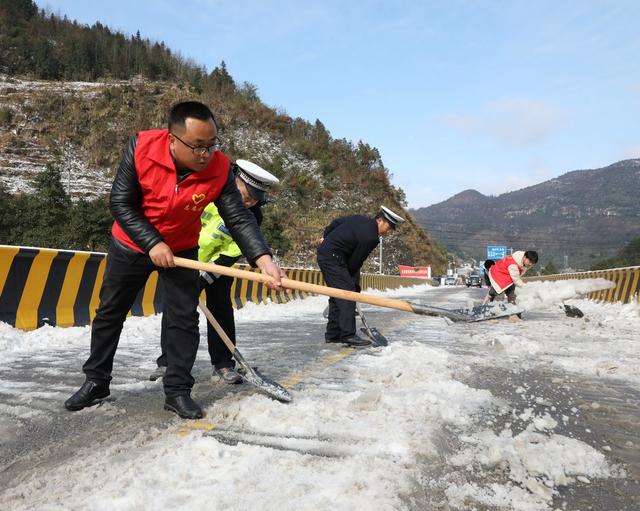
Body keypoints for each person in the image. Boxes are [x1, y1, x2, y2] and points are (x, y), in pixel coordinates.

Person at [64, 101, 282, 420]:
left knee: (183, 318)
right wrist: (152, 242)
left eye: (211, 145)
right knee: (110, 312)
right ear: (172, 139)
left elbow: (238, 217)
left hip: (181, 247)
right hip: (131, 244)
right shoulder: (141, 147)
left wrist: (262, 258)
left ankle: (178, 391)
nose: (205, 154)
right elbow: (121, 203)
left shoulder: (220, 169)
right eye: (197, 146)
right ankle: (96, 380)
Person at [150, 159, 279, 384]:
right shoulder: (208, 192)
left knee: (220, 308)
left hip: (218, 266)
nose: (248, 203)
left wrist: (206, 276)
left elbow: (234, 250)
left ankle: (223, 364)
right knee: (177, 309)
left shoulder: (253, 216)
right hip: (185, 257)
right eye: (245, 195)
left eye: (254, 200)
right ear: (234, 180)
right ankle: (167, 362)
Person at [317, 206, 404, 346]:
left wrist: (326, 237)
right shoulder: (371, 237)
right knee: (348, 293)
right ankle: (348, 335)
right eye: (389, 227)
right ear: (380, 220)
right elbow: (355, 261)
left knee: (338, 294)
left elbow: (336, 222)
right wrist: (352, 284)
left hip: (330, 255)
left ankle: (333, 334)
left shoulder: (359, 218)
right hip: (333, 259)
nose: (388, 232)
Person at [483, 250, 538, 321]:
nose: (531, 264)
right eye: (530, 262)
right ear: (524, 257)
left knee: (512, 295)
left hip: (508, 276)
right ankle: (492, 312)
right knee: (499, 293)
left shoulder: (523, 261)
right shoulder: (514, 264)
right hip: (499, 274)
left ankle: (514, 315)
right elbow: (516, 280)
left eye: (533, 263)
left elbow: (516, 276)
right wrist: (526, 287)